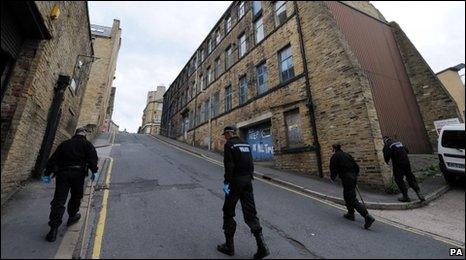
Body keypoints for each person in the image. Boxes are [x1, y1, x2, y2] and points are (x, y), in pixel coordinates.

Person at [217, 126, 269, 259]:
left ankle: (229, 246)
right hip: (247, 182)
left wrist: (226, 184)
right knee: (251, 213)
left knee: (228, 212)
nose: (225, 137)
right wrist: (249, 178)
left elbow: (229, 166)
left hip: (235, 182)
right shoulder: (245, 143)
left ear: (230, 133)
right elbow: (251, 164)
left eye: (225, 135)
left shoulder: (229, 145)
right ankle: (262, 246)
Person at [42, 127, 99, 242]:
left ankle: (53, 229)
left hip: (62, 174)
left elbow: (53, 159)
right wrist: (94, 171)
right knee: (76, 196)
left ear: (75, 133)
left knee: (59, 200)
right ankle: (72, 216)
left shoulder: (64, 144)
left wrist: (47, 174)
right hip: (78, 175)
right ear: (84, 134)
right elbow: (93, 160)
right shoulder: (87, 145)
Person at [329, 144, 375, 229]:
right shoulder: (347, 155)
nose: (331, 150)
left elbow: (333, 168)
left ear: (334, 149)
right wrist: (355, 175)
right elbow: (356, 166)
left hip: (347, 178)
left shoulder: (335, 156)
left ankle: (367, 216)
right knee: (347, 196)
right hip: (352, 177)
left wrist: (332, 178)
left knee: (351, 198)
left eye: (331, 148)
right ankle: (350, 214)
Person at [382, 136, 425, 202]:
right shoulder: (398, 142)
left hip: (398, 164)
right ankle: (418, 192)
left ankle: (405, 196)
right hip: (406, 163)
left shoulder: (388, 145)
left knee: (399, 179)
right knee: (410, 177)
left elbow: (386, 155)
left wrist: (387, 162)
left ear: (385, 141)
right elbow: (407, 150)